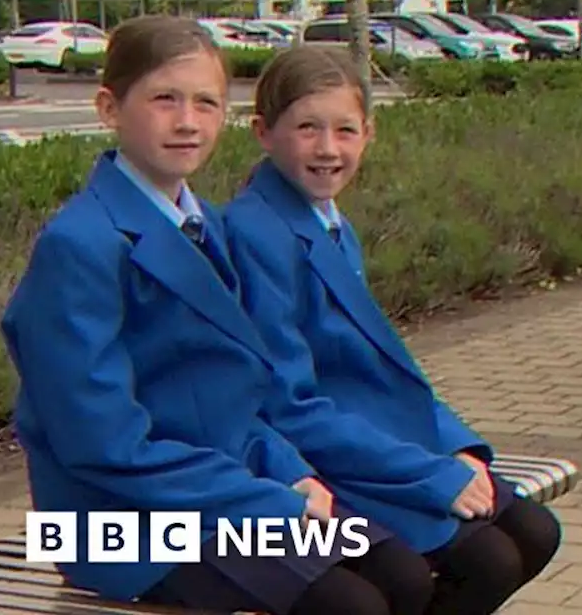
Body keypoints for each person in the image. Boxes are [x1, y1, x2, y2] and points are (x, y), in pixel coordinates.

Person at [0, 16, 434, 615]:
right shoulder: (81, 244)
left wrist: (288, 470)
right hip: (109, 525)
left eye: (206, 103)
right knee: (348, 603)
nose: (187, 122)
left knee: (406, 577)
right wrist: (262, 498)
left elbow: (237, 395)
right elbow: (102, 445)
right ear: (109, 108)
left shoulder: (202, 225)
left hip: (216, 489)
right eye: (164, 100)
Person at [222, 46, 561, 615]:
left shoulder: (325, 221)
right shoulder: (255, 233)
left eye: (345, 130)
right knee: (483, 561)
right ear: (263, 132)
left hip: (373, 437)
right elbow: (289, 405)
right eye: (307, 128)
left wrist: (455, 447)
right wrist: (429, 474)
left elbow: (384, 367)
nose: (328, 149)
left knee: (533, 533)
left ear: (369, 134)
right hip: (331, 457)